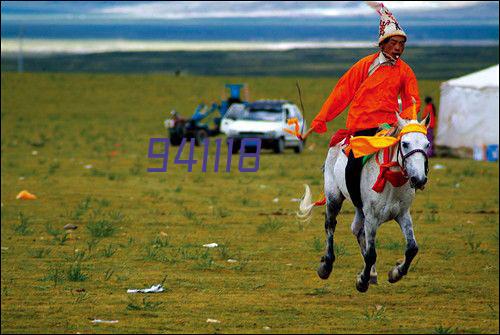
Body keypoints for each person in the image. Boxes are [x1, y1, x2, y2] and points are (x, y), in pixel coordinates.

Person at [300, 2, 421, 210]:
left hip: (389, 128)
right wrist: (321, 119)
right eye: (394, 43)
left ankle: (407, 195)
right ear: (382, 43)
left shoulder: (405, 71)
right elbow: (341, 93)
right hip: (362, 126)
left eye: (402, 44)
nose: (398, 48)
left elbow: (412, 101)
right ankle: (359, 203)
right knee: (354, 164)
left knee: (413, 155)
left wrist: (404, 121)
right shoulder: (364, 66)